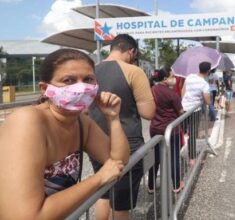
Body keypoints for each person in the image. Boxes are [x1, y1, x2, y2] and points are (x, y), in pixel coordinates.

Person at [0, 48, 129, 219]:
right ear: (44, 88)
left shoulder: (81, 122)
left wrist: (113, 118)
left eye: (88, 79)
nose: (81, 87)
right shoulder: (27, 121)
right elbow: (25, 216)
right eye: (68, 80)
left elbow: (118, 161)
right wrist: (98, 179)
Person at [88, 34, 156, 220]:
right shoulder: (134, 71)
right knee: (121, 202)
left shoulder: (91, 71)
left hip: (95, 140)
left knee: (103, 193)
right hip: (127, 142)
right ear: (131, 51)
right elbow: (148, 113)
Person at [148, 68, 184, 193]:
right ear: (165, 79)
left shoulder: (151, 90)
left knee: (156, 157)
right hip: (170, 130)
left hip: (154, 128)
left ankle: (151, 185)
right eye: (172, 76)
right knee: (173, 156)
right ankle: (176, 184)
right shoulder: (171, 93)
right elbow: (180, 112)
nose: (173, 79)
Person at [181, 61, 211, 166]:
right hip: (195, 110)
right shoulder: (204, 84)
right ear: (208, 71)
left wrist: (182, 103)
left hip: (184, 109)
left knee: (180, 132)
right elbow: (207, 101)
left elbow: (183, 91)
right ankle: (192, 158)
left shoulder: (189, 77)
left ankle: (176, 153)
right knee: (192, 134)